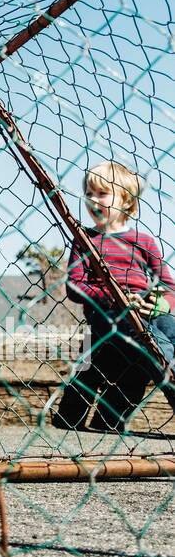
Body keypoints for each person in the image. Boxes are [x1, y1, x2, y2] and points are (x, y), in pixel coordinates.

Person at [50, 160, 175, 432]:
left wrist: (161, 302)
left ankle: (108, 419)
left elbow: (167, 284)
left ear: (126, 200)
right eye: (89, 193)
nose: (93, 199)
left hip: (146, 310)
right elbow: (75, 286)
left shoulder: (144, 241)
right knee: (149, 342)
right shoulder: (84, 239)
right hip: (106, 312)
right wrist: (114, 296)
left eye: (102, 193)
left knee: (169, 328)